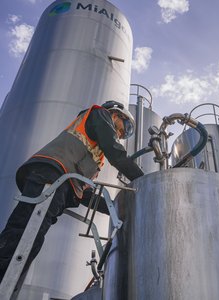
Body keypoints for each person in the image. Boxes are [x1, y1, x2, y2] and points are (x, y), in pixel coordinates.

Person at [0, 101, 144, 283]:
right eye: (127, 127)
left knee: (33, 239)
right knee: (23, 232)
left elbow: (84, 192)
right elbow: (116, 153)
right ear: (116, 115)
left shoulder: (95, 155)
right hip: (51, 173)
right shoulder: (99, 115)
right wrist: (142, 181)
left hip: (61, 181)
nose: (124, 134)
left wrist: (116, 208)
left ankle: (8, 285)